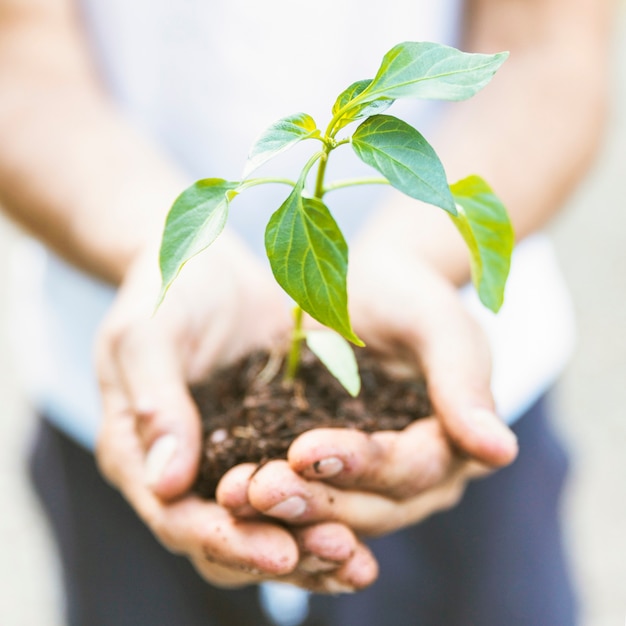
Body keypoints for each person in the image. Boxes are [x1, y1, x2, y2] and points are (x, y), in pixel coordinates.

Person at [0, 0, 612, 624]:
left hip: (437, 362)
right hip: (147, 376)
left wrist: (418, 257)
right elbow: (18, 61)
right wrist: (158, 262)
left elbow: (549, 53)